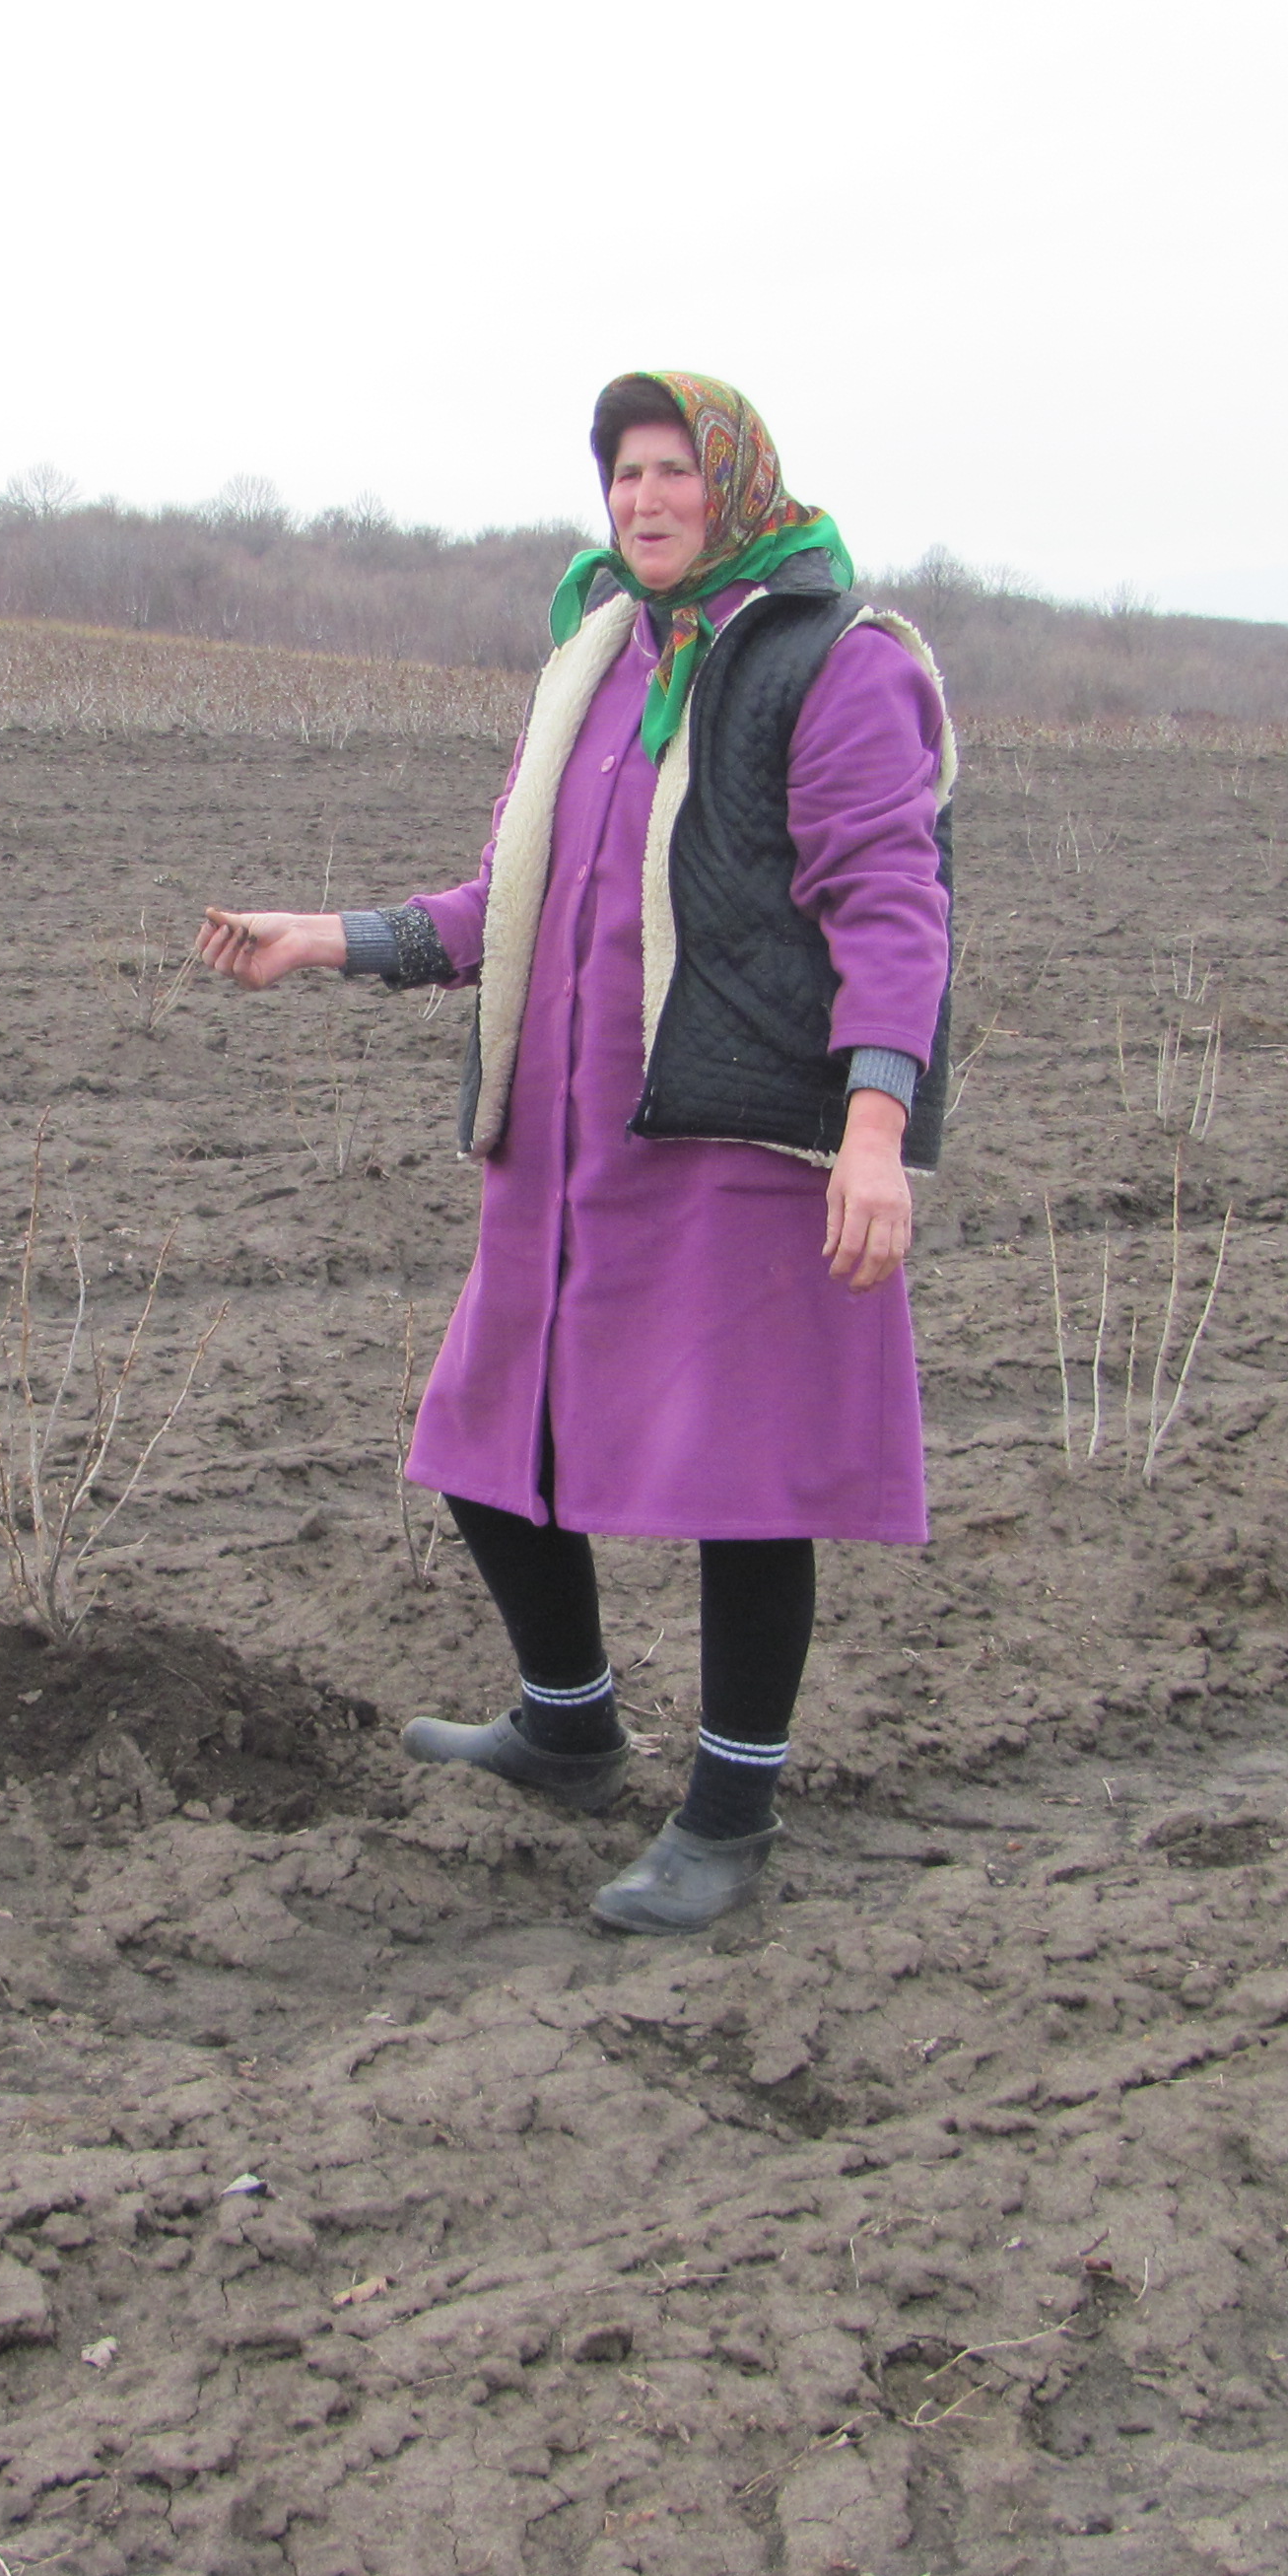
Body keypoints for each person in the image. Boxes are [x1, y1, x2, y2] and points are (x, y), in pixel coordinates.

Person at [196, 370, 954, 1934]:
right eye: (624, 475)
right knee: (493, 1436)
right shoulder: (601, 657)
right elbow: (506, 904)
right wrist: (325, 937)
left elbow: (893, 906)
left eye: (676, 470)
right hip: (562, 1144)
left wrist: (876, 1131)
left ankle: (729, 1811)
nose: (645, 500)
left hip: (736, 1140)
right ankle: (568, 1724)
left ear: (737, 484)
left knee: (748, 1481)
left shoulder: (835, 663)